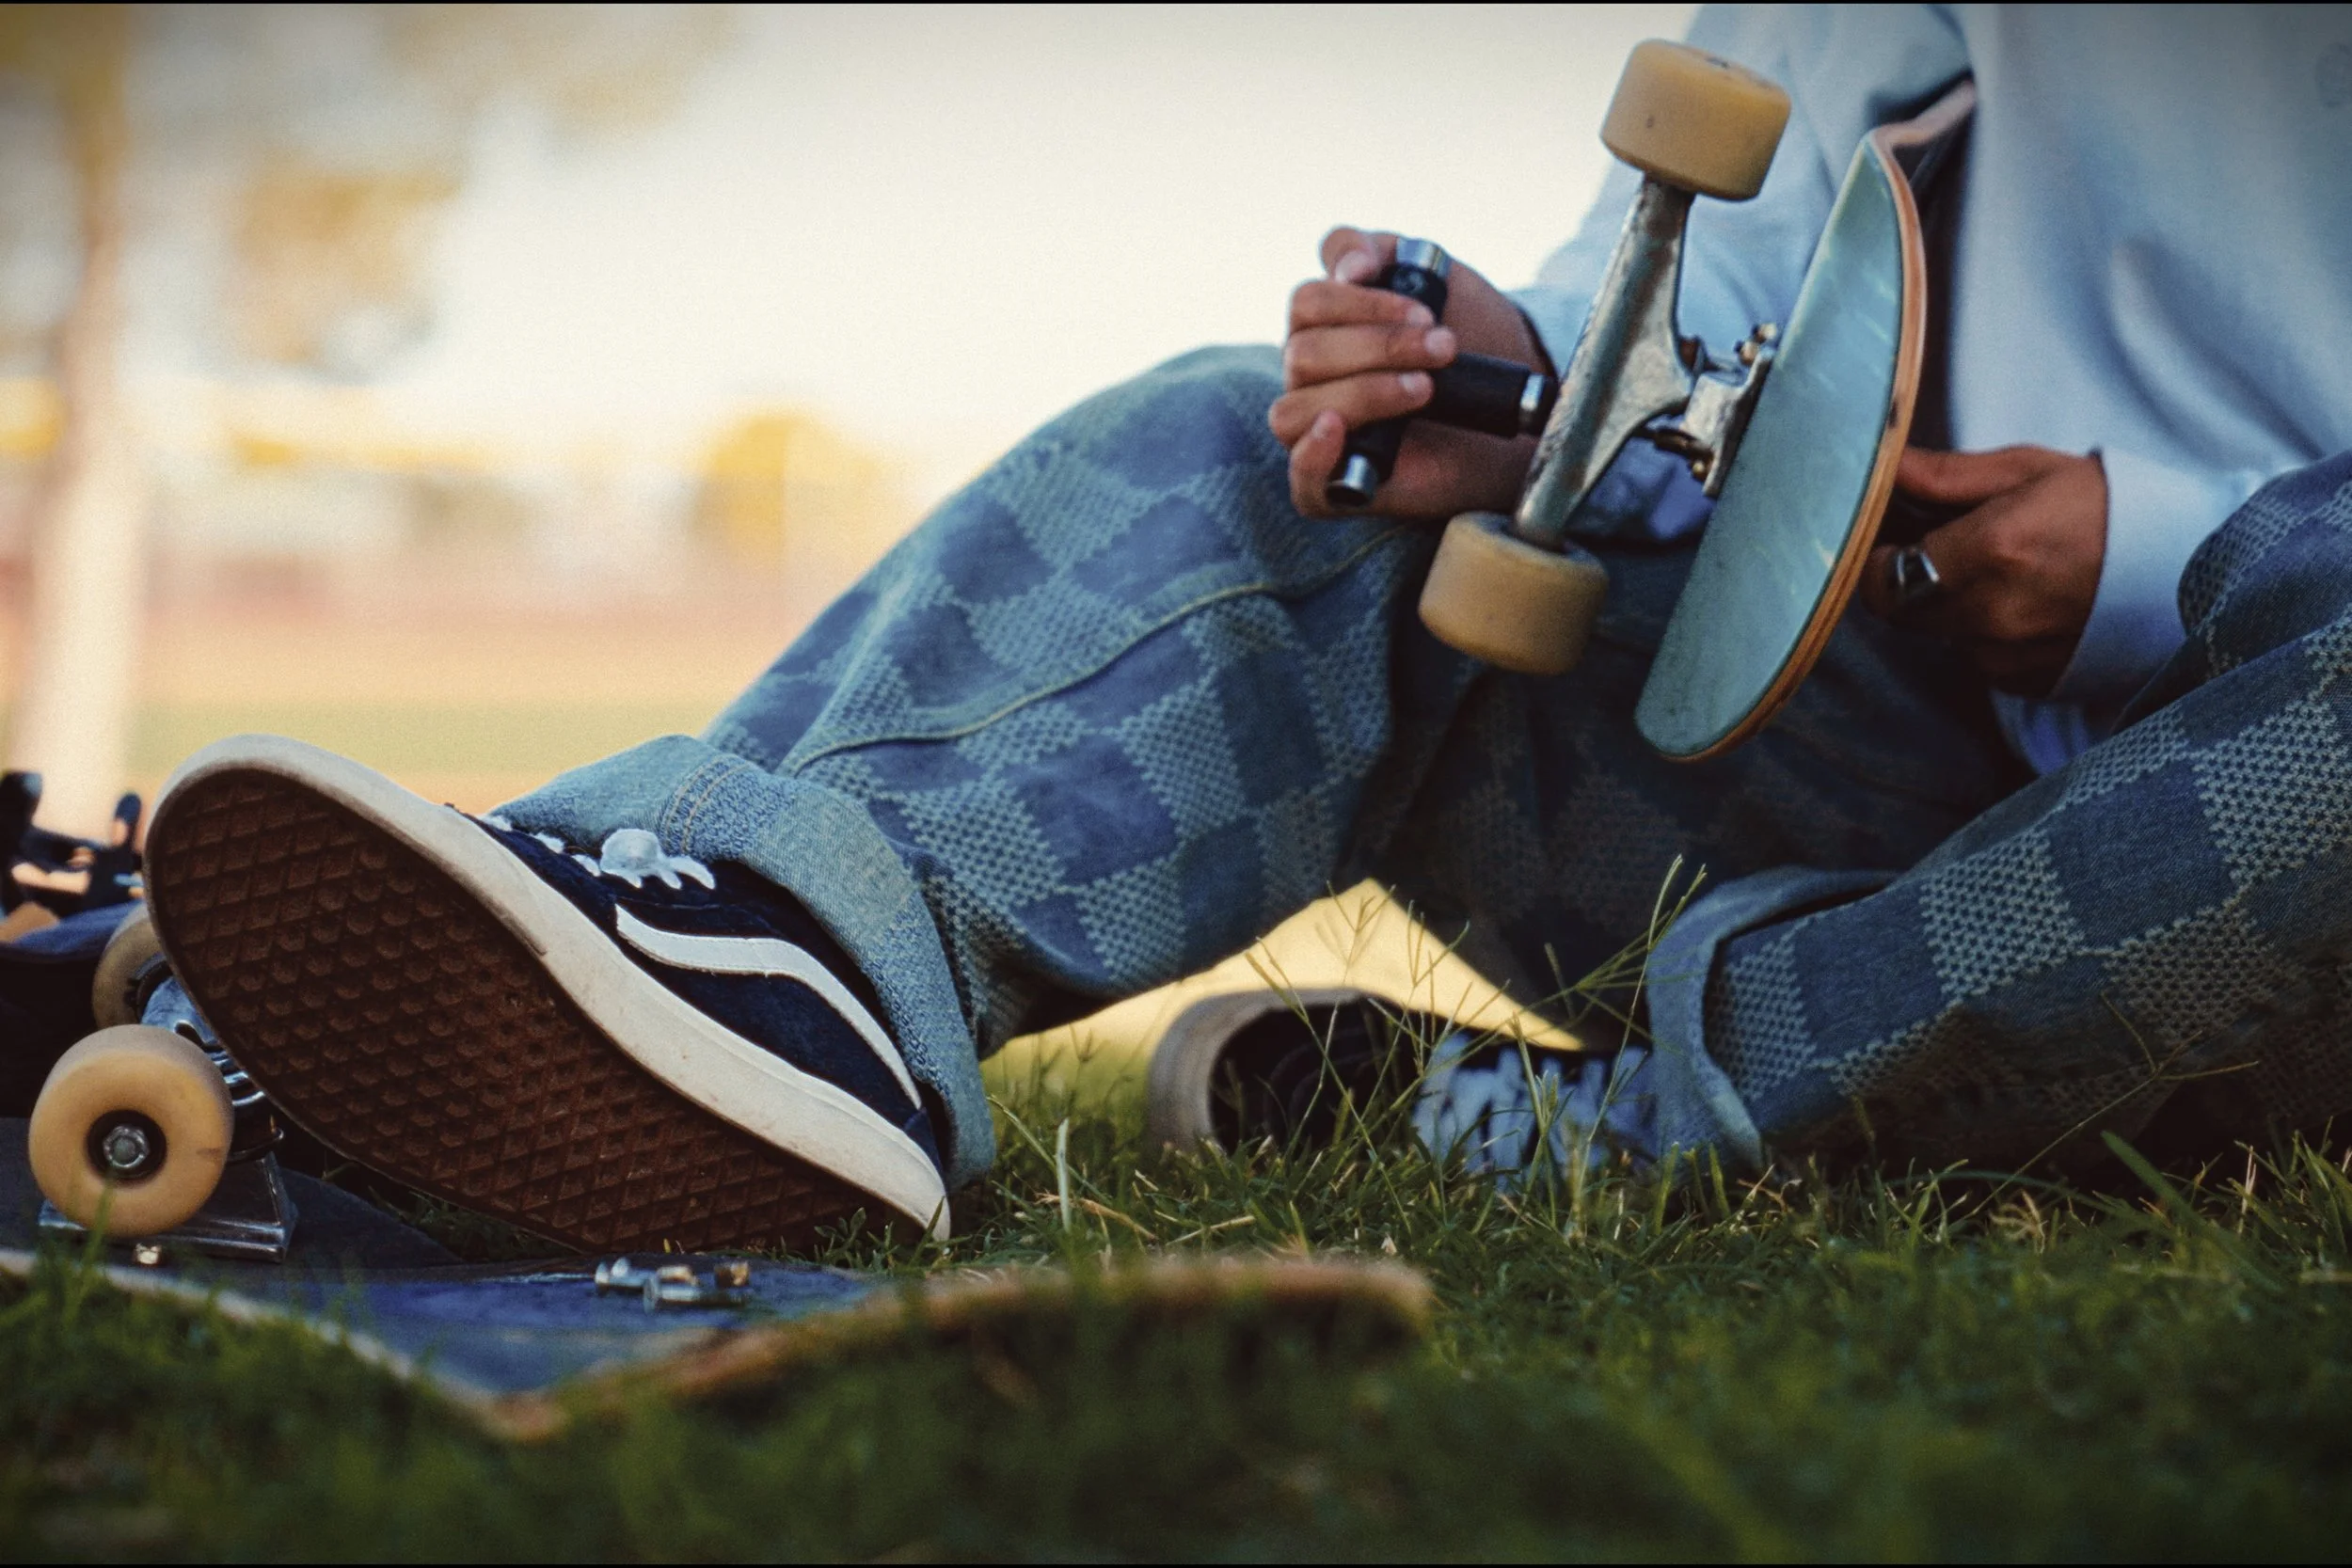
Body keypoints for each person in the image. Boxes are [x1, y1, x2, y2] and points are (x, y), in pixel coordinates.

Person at [129, 6, 2352, 1249]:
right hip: (1887, 757)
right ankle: (751, 967)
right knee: (1248, 452)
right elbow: (1710, 303)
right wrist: (1514, 393)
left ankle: (1668, 1119)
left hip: (2289, 769)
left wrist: (2162, 551)